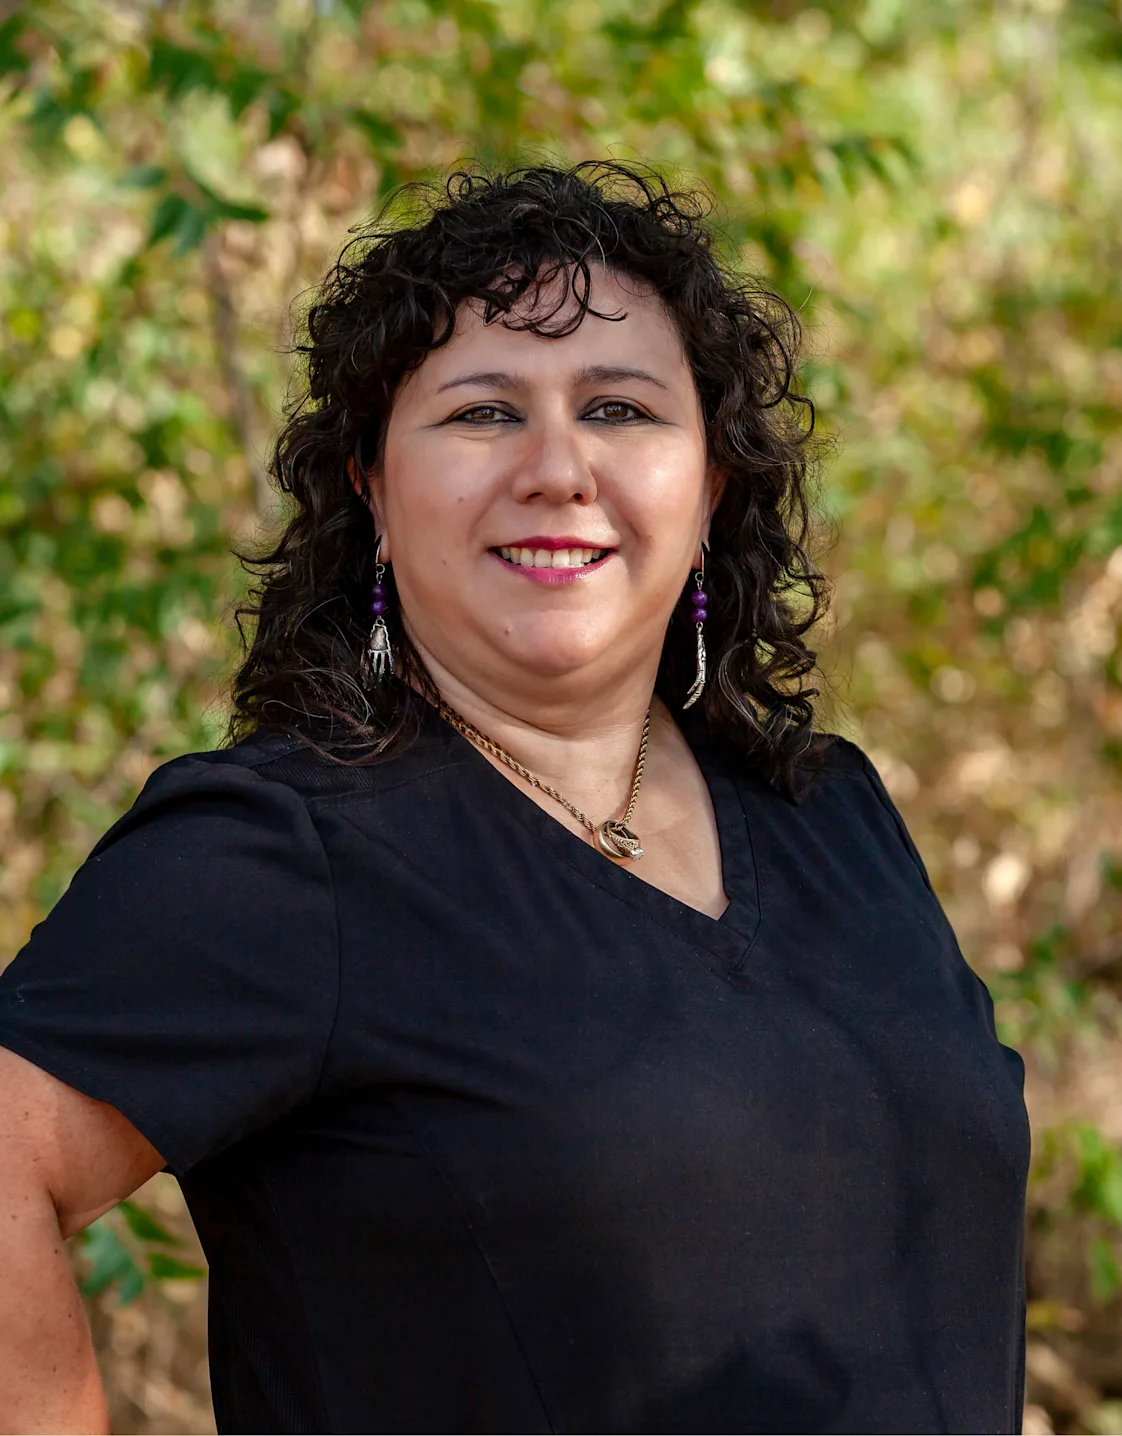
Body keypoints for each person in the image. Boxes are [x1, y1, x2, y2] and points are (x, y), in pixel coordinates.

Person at [0, 163, 1028, 1436]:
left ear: (709, 490)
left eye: (620, 408)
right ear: (374, 490)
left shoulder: (835, 814)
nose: (558, 466)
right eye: (483, 413)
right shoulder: (283, 853)